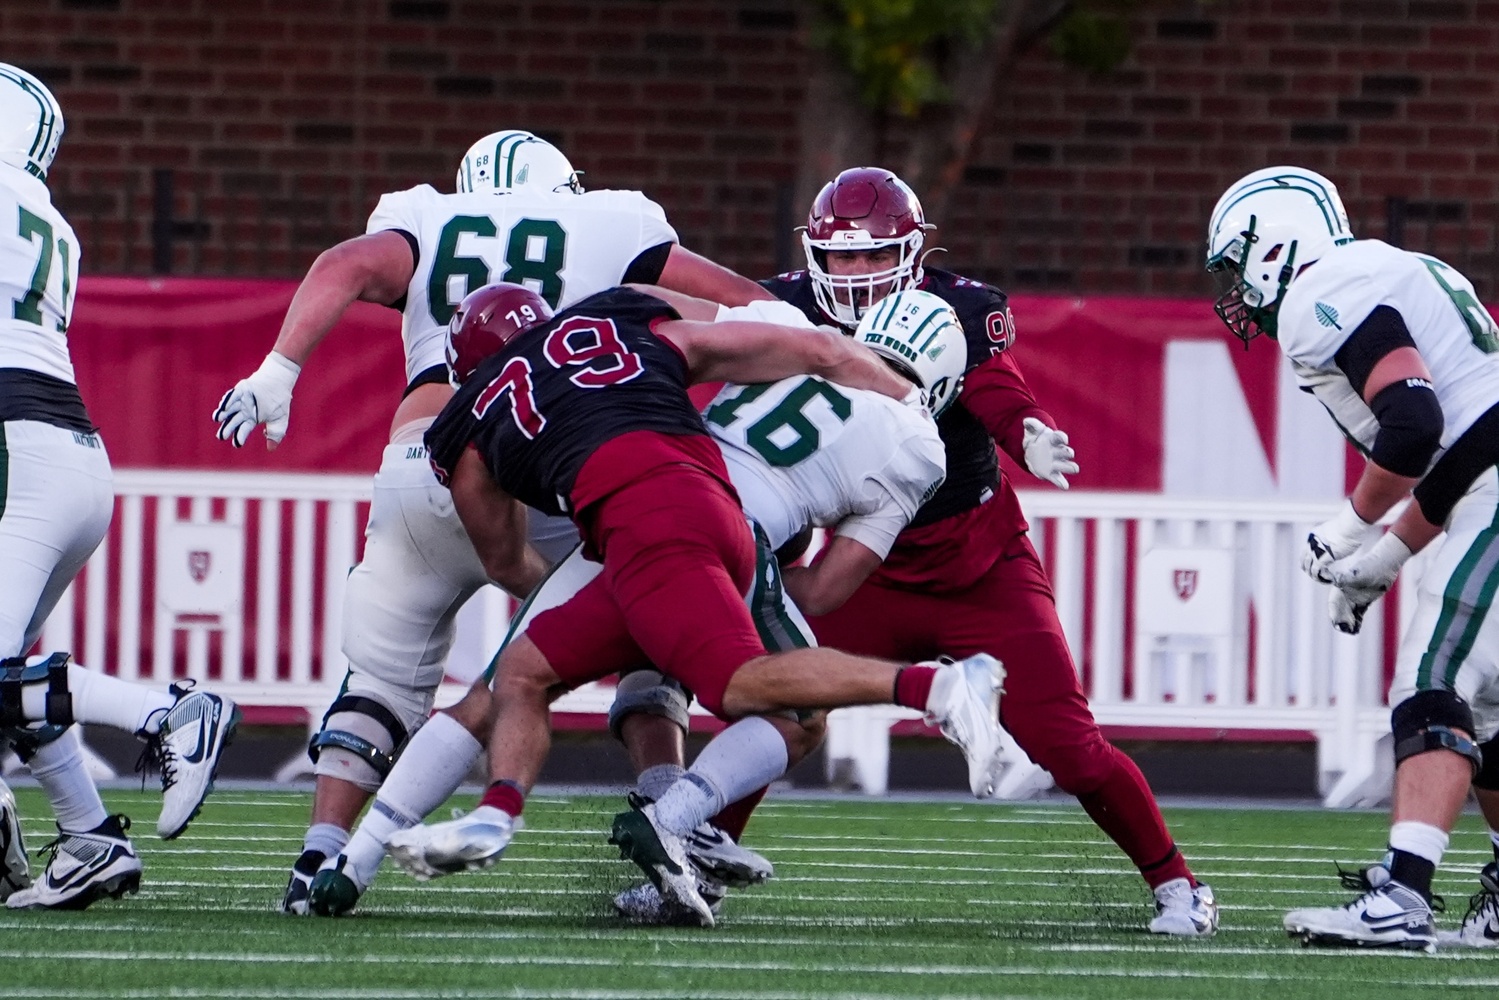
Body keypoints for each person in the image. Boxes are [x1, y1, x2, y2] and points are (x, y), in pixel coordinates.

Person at [211, 130, 776, 914]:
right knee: (644, 616)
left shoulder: (425, 217)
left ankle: (322, 856)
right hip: (550, 470)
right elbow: (743, 305)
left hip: (423, 459)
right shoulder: (612, 223)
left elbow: (344, 263)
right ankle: (664, 806)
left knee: (379, 681)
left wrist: (279, 370)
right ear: (562, 185)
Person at [311, 283, 958, 922]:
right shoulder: (621, 324)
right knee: (767, 701)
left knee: (507, 686)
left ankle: (364, 856)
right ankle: (674, 818)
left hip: (631, 526)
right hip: (703, 505)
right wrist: (904, 400)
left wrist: (576, 586)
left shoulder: (470, 411)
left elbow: (506, 559)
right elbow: (809, 350)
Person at [723, 166, 1214, 936]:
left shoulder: (959, 306)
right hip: (862, 565)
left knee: (1070, 750)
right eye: (841, 257)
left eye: (871, 255)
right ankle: (702, 852)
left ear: (913, 252)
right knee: (773, 700)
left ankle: (1176, 883)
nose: (854, 273)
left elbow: (993, 388)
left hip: (975, 562)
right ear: (813, 254)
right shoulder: (777, 306)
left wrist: (1026, 433)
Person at [1206, 165, 1499, 952]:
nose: (1234, 289)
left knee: (1432, 682)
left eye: (1235, 266)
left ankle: (1402, 897)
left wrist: (1349, 530)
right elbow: (1463, 441)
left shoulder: (1317, 292)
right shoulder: (1387, 269)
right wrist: (1392, 549)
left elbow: (1410, 425)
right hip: (1484, 479)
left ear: (1270, 249)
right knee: (1490, 704)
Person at [0, 63, 238, 910]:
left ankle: (166, 715)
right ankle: (90, 840)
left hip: (12, 449)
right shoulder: (52, 223)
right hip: (68, 454)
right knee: (9, 675)